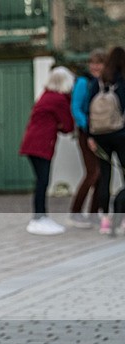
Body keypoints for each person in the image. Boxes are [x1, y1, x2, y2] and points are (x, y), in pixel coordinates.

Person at [19, 67, 75, 236]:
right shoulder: (59, 99)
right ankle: (39, 217)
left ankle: (40, 216)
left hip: (32, 143)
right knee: (42, 182)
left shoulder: (46, 95)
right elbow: (68, 126)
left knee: (41, 181)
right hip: (42, 145)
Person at [88, 46, 125, 235]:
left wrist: (90, 136)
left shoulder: (99, 81)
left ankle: (104, 220)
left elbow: (88, 107)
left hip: (100, 134)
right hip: (120, 134)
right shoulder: (122, 80)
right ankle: (123, 219)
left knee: (105, 176)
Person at [68, 49, 106, 229]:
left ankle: (93, 213)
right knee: (93, 173)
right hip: (86, 132)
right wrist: (87, 128)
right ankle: (75, 212)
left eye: (99, 63)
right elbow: (76, 108)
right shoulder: (84, 82)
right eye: (93, 63)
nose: (95, 66)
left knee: (101, 175)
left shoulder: (106, 82)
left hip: (102, 132)